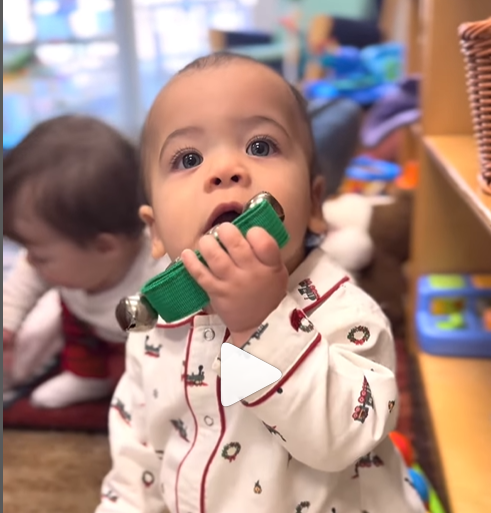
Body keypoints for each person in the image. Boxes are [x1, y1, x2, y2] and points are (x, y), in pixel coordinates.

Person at [96, 53, 425, 513]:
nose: (226, 169)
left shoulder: (346, 313)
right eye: (188, 158)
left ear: (314, 205)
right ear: (156, 233)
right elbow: (136, 454)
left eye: (260, 146)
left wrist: (263, 325)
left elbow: (341, 438)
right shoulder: (157, 321)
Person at [3, 115, 168, 409]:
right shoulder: (71, 261)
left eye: (40, 255)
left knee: (156, 364)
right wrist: (8, 323)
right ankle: (87, 376)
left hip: (152, 342)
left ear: (104, 246)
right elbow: (25, 279)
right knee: (75, 331)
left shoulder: (160, 271)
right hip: (90, 331)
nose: (29, 260)